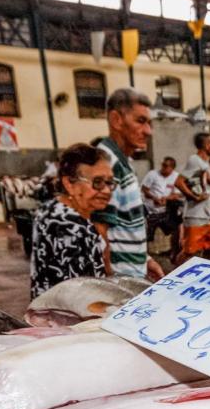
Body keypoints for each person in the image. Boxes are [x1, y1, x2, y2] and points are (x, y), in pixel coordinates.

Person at [94, 89, 163, 281]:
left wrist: (145, 260)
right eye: (140, 121)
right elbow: (99, 232)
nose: (148, 131)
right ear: (116, 120)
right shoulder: (106, 164)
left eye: (149, 123)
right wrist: (112, 285)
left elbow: (125, 225)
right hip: (120, 283)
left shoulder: (122, 162)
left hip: (132, 275)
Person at [29, 143, 113, 298]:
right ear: (69, 183)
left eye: (109, 183)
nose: (107, 190)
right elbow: (80, 298)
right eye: (98, 182)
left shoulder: (52, 209)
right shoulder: (70, 226)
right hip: (68, 318)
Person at [175, 131, 210, 265]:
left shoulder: (205, 163)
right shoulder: (194, 160)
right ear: (207, 146)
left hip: (209, 215)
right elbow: (179, 182)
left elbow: (207, 186)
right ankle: (172, 278)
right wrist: (194, 197)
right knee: (189, 253)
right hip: (196, 216)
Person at [141, 156, 180, 244]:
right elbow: (144, 189)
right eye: (162, 165)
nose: (163, 167)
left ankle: (171, 251)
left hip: (164, 210)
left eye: (166, 166)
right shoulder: (153, 174)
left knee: (172, 230)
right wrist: (154, 198)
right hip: (149, 209)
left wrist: (166, 198)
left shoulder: (176, 176)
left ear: (172, 168)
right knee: (147, 234)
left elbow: (177, 194)